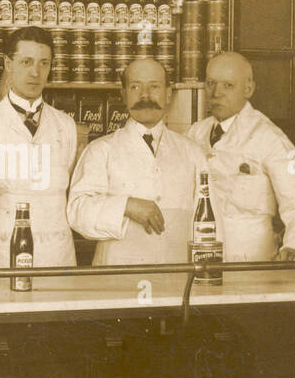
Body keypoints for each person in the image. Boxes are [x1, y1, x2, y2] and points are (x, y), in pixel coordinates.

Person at [0, 26, 78, 269]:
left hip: (56, 252)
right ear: (8, 64)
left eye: (44, 63)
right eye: (26, 62)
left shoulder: (66, 125)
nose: (35, 72)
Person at [68, 58, 207, 264]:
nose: (145, 95)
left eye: (154, 86)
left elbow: (208, 221)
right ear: (123, 94)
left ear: (168, 93)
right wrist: (126, 205)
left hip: (176, 274)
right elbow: (77, 212)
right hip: (118, 274)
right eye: (135, 87)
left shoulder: (193, 153)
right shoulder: (100, 150)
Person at [187, 52, 295, 261]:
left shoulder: (271, 138)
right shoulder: (195, 133)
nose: (216, 93)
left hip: (251, 260)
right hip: (202, 254)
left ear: (248, 89)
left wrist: (293, 246)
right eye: (211, 83)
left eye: (228, 85)